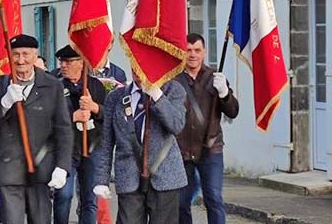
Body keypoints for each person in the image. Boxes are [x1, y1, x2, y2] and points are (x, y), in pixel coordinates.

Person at [0, 35, 73, 224]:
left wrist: (62, 166)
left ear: (35, 55)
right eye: (15, 54)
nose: (20, 60)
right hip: (8, 167)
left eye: (25, 54)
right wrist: (4, 104)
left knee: (40, 220)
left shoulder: (52, 85)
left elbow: (63, 129)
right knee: (12, 220)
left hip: (41, 166)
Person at [92, 72, 188, 224]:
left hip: (164, 175)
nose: (138, 71)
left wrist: (158, 96)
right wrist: (102, 180)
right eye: (134, 64)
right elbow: (106, 142)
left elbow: (176, 125)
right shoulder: (116, 97)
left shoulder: (173, 90)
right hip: (129, 176)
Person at [175, 33, 239, 224]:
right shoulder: (174, 80)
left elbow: (233, 111)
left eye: (197, 50)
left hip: (210, 148)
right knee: (181, 202)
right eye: (188, 50)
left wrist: (225, 93)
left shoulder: (215, 77)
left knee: (213, 198)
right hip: (182, 150)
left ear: (204, 52)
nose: (193, 54)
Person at [53, 45, 107, 224]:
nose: (63, 65)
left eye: (68, 62)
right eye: (62, 61)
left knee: (90, 199)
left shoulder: (95, 85)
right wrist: (72, 116)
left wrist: (95, 108)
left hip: (92, 147)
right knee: (64, 195)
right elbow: (47, 118)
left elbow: (109, 115)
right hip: (67, 149)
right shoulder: (55, 86)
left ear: (81, 63)